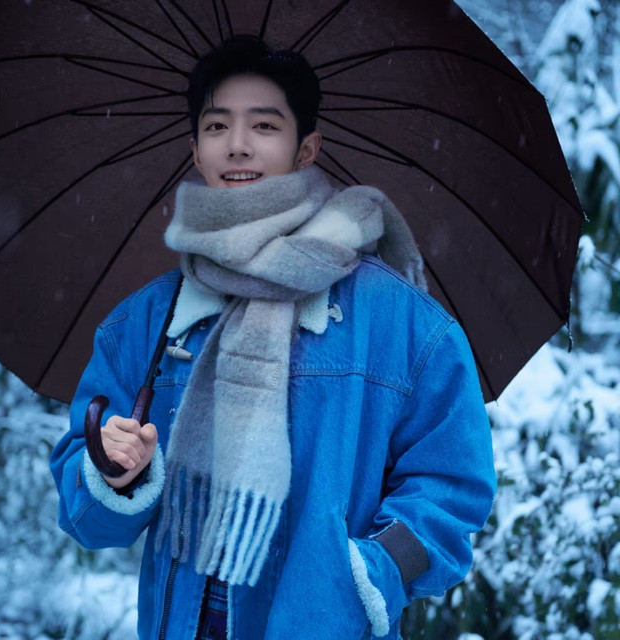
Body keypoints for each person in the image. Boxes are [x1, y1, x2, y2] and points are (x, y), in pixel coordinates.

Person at [50, 35, 496, 640]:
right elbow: (86, 513)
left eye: (264, 125)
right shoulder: (149, 320)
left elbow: (451, 490)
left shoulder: (403, 323)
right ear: (195, 149)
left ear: (306, 147)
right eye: (217, 126)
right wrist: (113, 472)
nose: (237, 144)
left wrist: (366, 574)